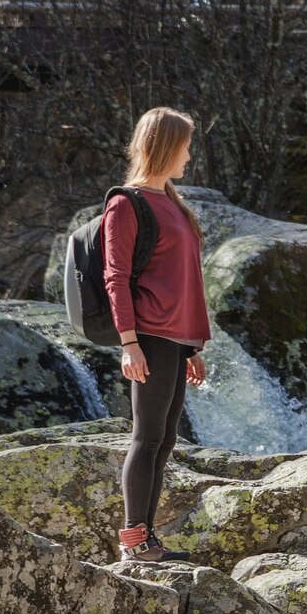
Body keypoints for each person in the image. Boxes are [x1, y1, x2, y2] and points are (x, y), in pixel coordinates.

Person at [103, 106, 212, 562]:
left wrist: (191, 347)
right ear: (167, 146)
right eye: (185, 144)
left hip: (173, 339)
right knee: (146, 438)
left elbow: (180, 278)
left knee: (164, 439)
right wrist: (129, 343)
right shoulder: (126, 204)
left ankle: (147, 540)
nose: (189, 154)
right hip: (147, 336)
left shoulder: (172, 201)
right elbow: (116, 277)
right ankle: (134, 542)